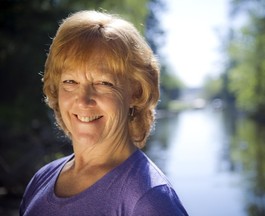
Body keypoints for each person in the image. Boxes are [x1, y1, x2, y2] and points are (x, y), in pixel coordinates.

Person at [19, 10, 188, 216]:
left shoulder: (150, 201)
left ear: (135, 92)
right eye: (70, 81)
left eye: (103, 83)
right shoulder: (42, 179)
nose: (83, 100)